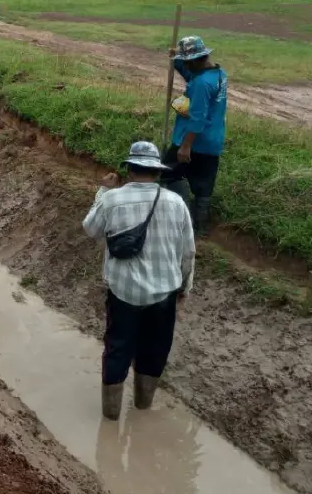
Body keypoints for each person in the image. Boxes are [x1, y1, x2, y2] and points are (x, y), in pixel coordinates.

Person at [82, 141, 195, 421]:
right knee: (154, 349)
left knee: (118, 348)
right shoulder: (176, 202)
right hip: (163, 294)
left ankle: (111, 415)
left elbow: (90, 229)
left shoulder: (112, 199)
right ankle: (143, 406)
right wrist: (184, 287)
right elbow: (188, 251)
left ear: (130, 169)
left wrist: (103, 191)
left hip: (124, 293)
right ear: (156, 171)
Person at [163, 36, 228, 238]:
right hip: (212, 140)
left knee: (167, 172)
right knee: (204, 185)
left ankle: (183, 217)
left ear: (196, 60)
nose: (186, 66)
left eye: (187, 61)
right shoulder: (217, 73)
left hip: (193, 140)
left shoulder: (201, 84)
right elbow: (190, 74)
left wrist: (185, 146)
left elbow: (198, 118)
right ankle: (201, 228)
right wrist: (176, 60)